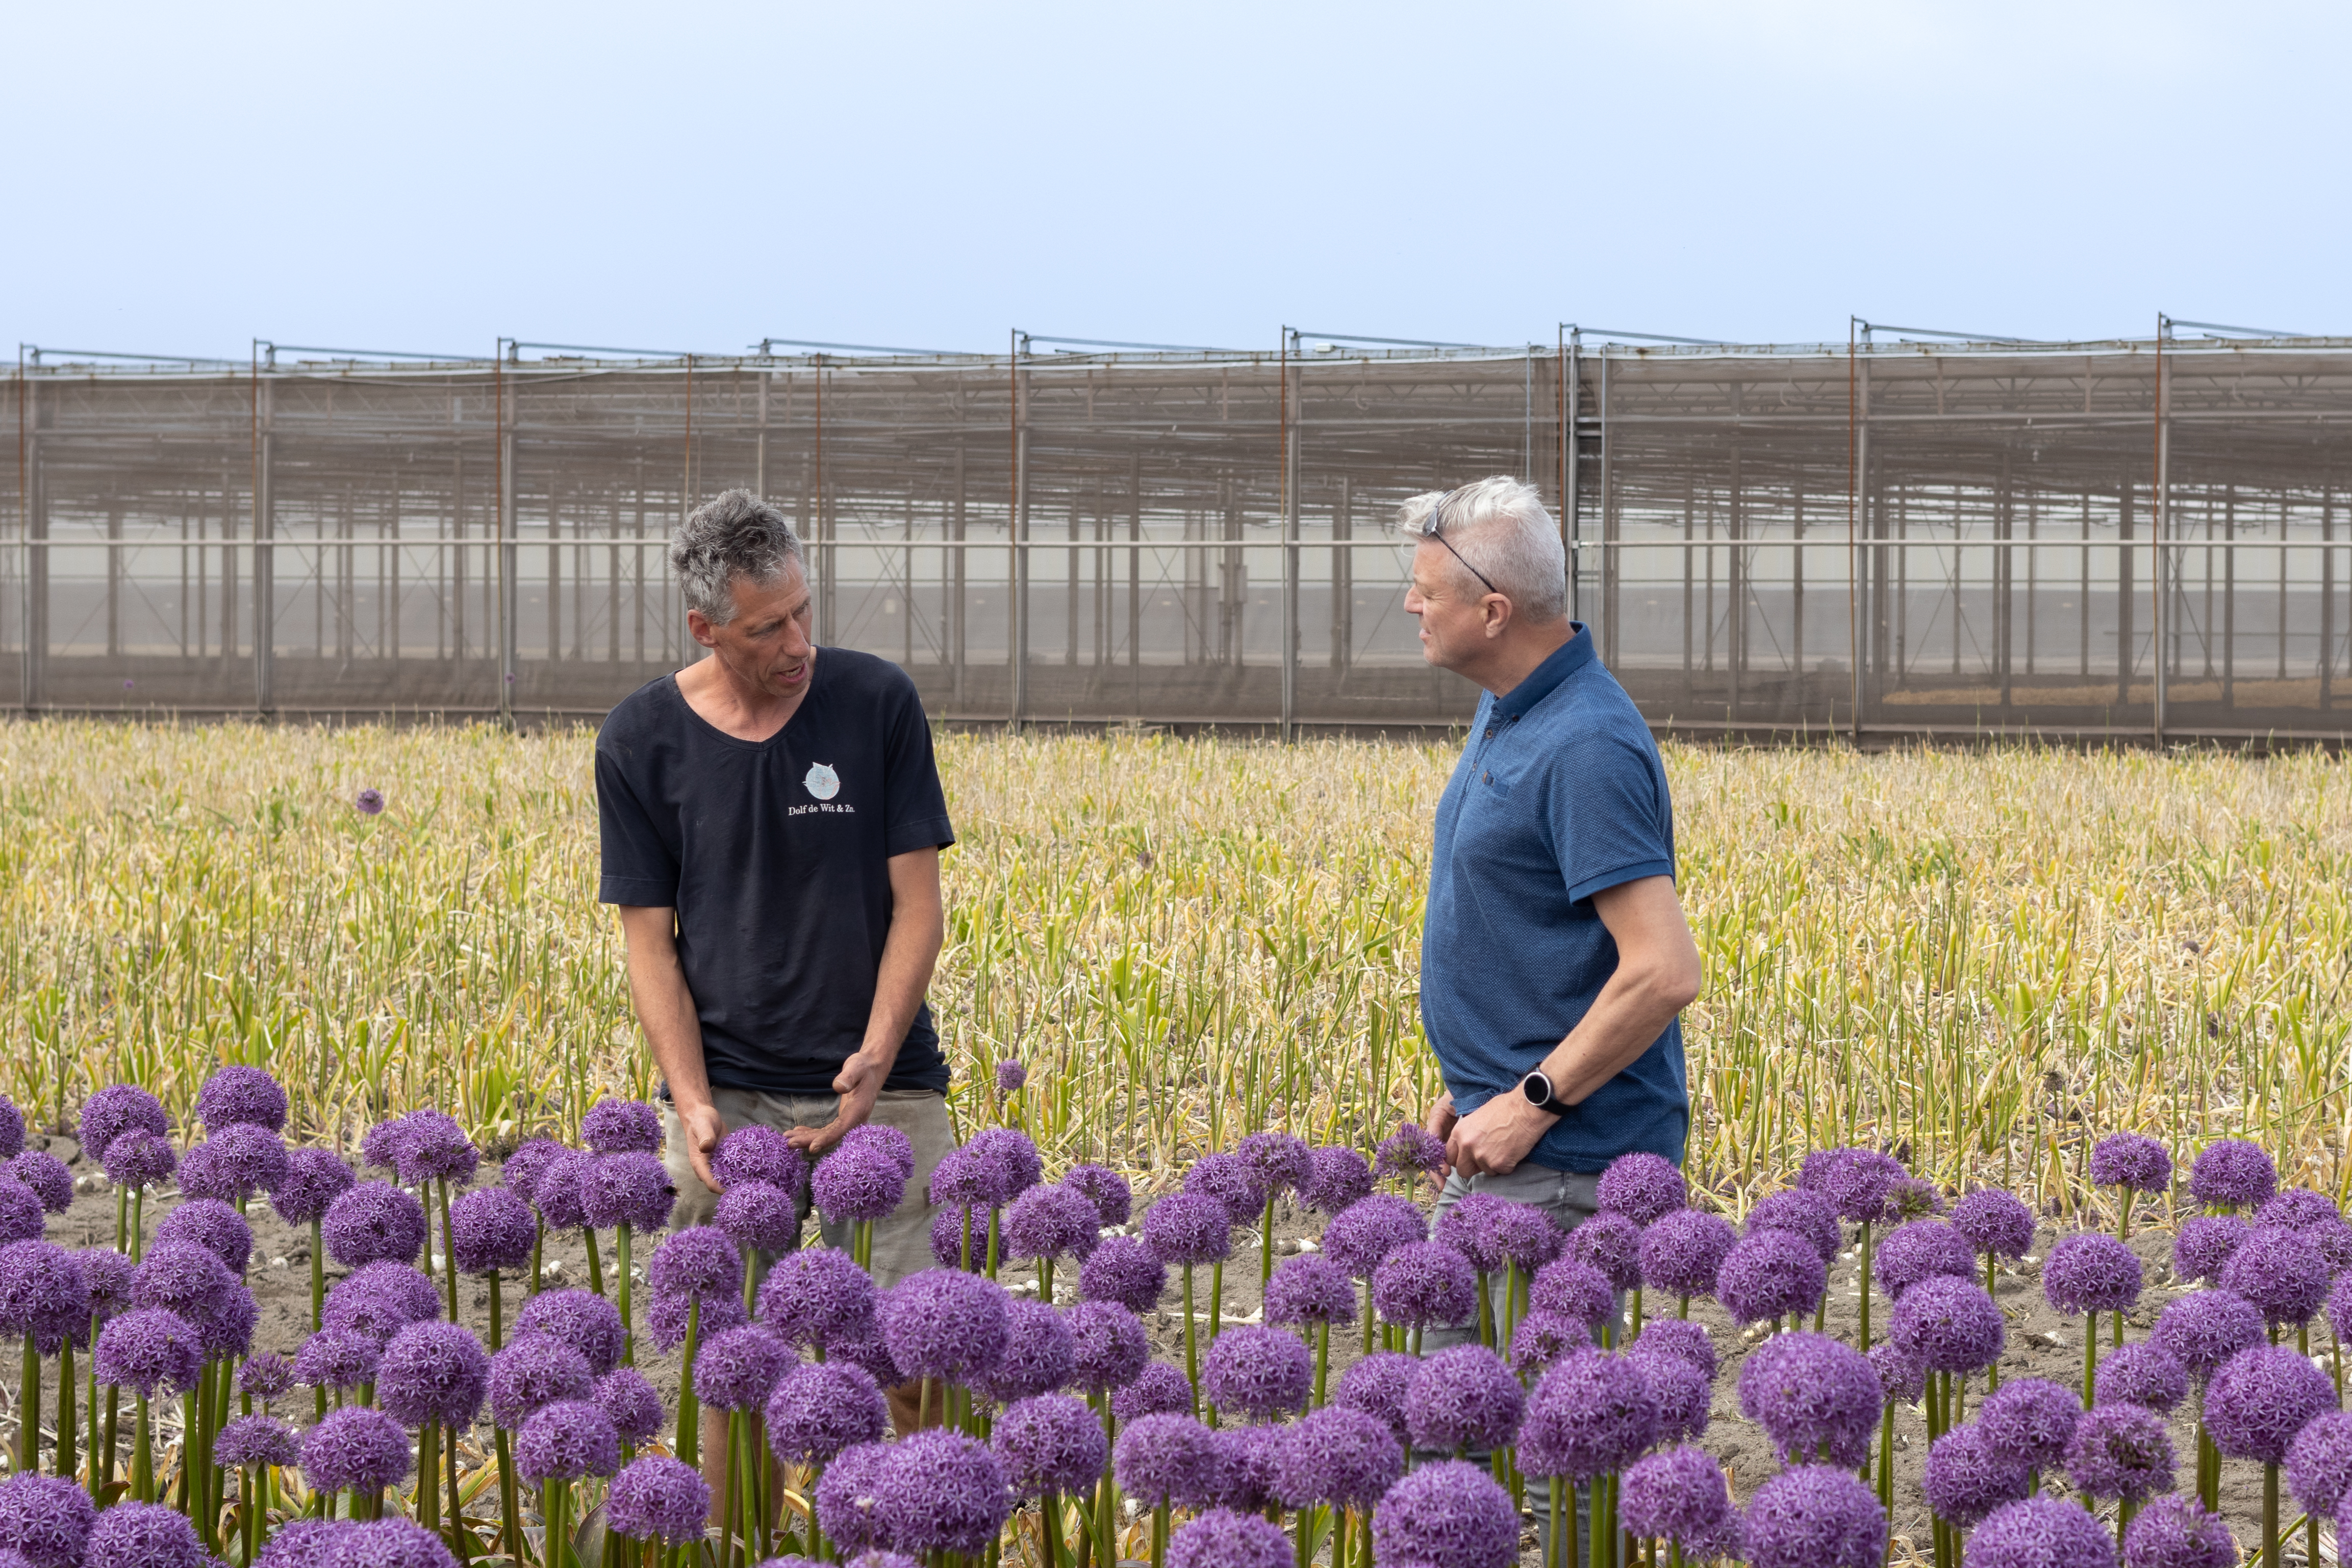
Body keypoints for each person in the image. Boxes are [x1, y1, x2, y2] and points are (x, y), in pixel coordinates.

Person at [595, 488, 956, 1445]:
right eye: (768, 627)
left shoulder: (878, 702)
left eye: (805, 610)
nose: (799, 641)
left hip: (890, 1088)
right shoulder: (640, 741)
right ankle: (719, 1541)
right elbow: (648, 942)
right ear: (706, 628)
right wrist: (690, 1097)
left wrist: (878, 1058)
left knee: (921, 1359)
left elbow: (919, 906)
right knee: (723, 1370)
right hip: (731, 1096)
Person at [1401, 476, 1703, 1541]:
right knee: (1452, 1456)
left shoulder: (1583, 744)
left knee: (1543, 1475)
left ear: (1494, 612)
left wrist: (1528, 1097)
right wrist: (1474, 1087)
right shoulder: (1512, 704)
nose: (1409, 604)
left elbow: (1662, 970)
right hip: (1504, 1149)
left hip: (1564, 1171)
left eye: (1425, 588)